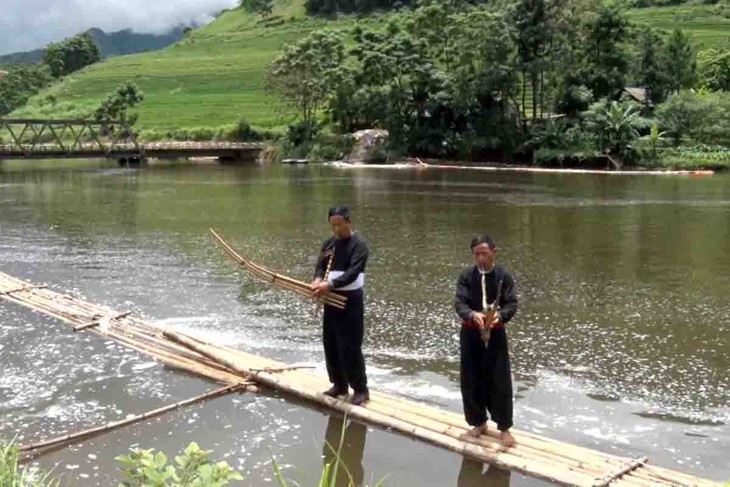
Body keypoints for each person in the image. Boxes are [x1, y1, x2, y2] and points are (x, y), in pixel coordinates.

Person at [454, 234, 518, 446]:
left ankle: (504, 428)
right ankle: (478, 421)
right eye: (476, 254)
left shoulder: (503, 276)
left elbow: (511, 304)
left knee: (499, 380)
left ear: (493, 251)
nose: (480, 258)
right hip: (471, 333)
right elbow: (459, 303)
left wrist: (499, 316)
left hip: (496, 333)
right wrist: (473, 314)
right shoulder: (466, 276)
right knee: (471, 379)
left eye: (484, 253)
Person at [311, 205, 370, 405]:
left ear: (348, 221)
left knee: (350, 345)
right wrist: (318, 280)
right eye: (332, 225)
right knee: (331, 342)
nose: (336, 229)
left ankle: (361, 389)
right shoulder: (329, 244)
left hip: (349, 300)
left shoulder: (359, 245)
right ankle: (339, 384)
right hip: (330, 299)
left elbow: (353, 272)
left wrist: (331, 284)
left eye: (339, 225)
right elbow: (320, 266)